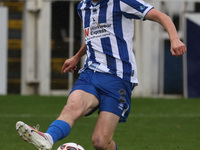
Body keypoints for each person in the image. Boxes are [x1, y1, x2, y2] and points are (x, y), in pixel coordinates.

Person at [16, 0, 186, 150]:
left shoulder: (122, 2)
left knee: (100, 142)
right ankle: (48, 138)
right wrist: (76, 57)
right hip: (90, 73)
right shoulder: (83, 6)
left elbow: (161, 16)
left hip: (118, 77)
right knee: (72, 107)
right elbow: (92, 37)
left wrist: (174, 38)